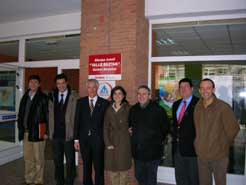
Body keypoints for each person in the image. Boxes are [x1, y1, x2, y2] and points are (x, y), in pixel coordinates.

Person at [194, 78, 240, 185]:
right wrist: (197, 144)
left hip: (219, 157)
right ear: (199, 91)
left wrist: (221, 145)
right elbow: (197, 128)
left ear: (213, 90)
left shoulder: (223, 107)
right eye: (202, 88)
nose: (205, 91)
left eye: (208, 88)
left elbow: (233, 129)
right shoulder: (197, 107)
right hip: (202, 156)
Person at [128, 85, 169, 185]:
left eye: (144, 94)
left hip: (153, 152)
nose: (141, 96)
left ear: (149, 96)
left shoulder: (158, 110)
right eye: (139, 94)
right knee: (139, 175)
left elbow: (165, 128)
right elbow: (130, 125)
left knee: (151, 178)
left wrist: (157, 139)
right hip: (138, 152)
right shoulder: (133, 109)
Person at [74, 79, 109, 185]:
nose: (92, 89)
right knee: (86, 168)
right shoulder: (80, 102)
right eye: (89, 87)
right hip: (84, 141)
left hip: (98, 141)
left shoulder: (104, 103)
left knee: (99, 168)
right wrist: (76, 140)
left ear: (97, 88)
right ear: (87, 88)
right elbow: (77, 121)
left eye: (94, 87)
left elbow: (107, 124)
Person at [48, 73, 79, 185]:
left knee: (70, 161)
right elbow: (49, 116)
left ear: (66, 83)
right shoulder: (51, 97)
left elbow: (77, 117)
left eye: (62, 83)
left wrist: (76, 135)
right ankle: (59, 181)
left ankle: (70, 181)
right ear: (56, 84)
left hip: (68, 135)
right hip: (56, 135)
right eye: (58, 83)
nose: (60, 86)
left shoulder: (74, 97)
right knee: (57, 161)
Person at [18, 75, 48, 185]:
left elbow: (47, 116)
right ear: (28, 84)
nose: (33, 84)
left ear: (39, 84)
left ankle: (39, 180)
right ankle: (29, 179)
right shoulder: (25, 97)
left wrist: (45, 132)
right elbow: (21, 114)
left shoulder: (43, 97)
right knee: (28, 157)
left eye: (35, 82)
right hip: (26, 132)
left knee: (38, 158)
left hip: (38, 132)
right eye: (31, 82)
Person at [172, 78, 199, 185]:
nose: (183, 89)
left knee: (193, 179)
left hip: (193, 149)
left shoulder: (199, 104)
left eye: (186, 87)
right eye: (181, 87)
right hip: (177, 149)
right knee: (180, 178)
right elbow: (176, 125)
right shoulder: (176, 104)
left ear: (192, 89)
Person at [104, 86, 132, 185]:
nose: (117, 95)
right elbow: (105, 127)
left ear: (124, 95)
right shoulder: (108, 109)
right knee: (113, 170)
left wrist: (132, 130)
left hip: (125, 141)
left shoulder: (129, 108)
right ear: (112, 96)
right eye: (115, 93)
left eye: (120, 93)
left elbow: (135, 123)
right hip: (111, 141)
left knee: (124, 171)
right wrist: (108, 143)